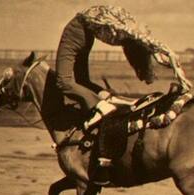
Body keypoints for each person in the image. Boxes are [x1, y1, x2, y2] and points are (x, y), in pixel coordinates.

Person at [53, 5, 174, 185]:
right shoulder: (125, 28)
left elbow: (65, 83)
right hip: (85, 34)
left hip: (79, 31)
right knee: (80, 81)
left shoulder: (98, 27)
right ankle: (104, 99)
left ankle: (103, 104)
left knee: (63, 81)